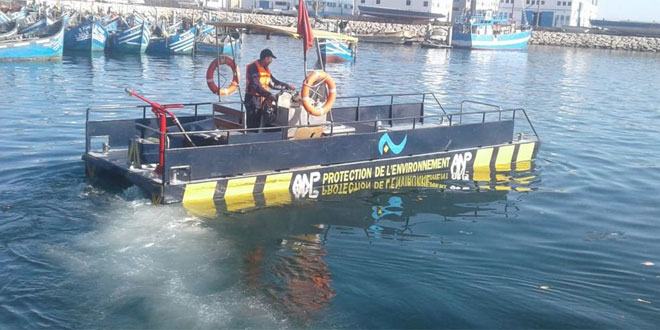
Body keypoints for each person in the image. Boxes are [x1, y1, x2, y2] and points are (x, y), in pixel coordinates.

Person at [244, 49, 295, 129]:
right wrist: (269, 95)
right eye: (271, 59)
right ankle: (250, 137)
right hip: (252, 100)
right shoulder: (253, 67)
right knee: (253, 124)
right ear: (266, 58)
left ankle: (259, 137)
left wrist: (286, 86)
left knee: (259, 122)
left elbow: (272, 83)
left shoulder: (265, 69)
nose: (271, 61)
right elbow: (255, 85)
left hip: (261, 99)